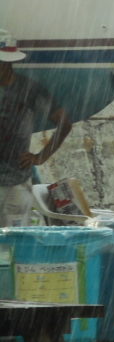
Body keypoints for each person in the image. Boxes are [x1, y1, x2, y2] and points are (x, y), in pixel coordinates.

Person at [0, 28, 72, 226]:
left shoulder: (29, 89)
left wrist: (41, 157)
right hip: (15, 183)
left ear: (8, 63)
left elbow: (64, 123)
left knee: (14, 238)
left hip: (14, 184)